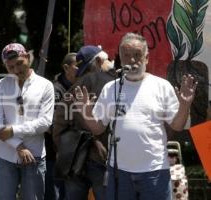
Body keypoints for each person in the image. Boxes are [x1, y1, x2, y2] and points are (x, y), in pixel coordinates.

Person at [74, 32, 197, 200]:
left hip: (154, 171)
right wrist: (86, 112)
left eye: (137, 55)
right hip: (119, 172)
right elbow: (98, 128)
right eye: (127, 56)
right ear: (120, 59)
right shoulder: (111, 88)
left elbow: (177, 125)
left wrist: (184, 105)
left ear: (146, 58)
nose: (132, 60)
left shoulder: (161, 86)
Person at [0, 43, 55, 200]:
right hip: (5, 156)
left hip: (35, 155)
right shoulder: (0, 85)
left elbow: (45, 122)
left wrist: (12, 130)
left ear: (27, 57)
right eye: (11, 67)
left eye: (19, 63)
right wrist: (18, 146)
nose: (16, 69)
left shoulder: (45, 85)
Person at [53, 45, 116, 200]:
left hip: (75, 160)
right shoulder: (116, 85)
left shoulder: (76, 87)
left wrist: (65, 148)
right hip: (102, 160)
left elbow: (59, 122)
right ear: (101, 60)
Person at [45, 52, 78, 200]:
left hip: (75, 156)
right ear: (66, 67)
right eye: (77, 66)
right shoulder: (55, 89)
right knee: (55, 194)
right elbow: (52, 123)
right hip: (55, 155)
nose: (81, 69)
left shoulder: (80, 86)